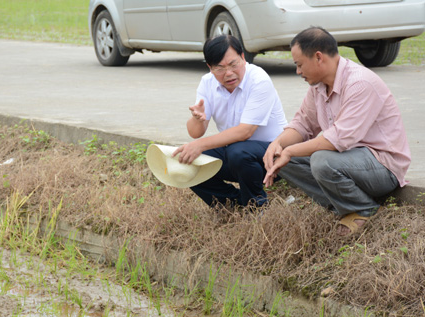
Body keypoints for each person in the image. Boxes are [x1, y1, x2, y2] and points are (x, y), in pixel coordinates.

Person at [263, 26, 411, 235]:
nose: (298, 72)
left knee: (321, 160)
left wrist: (290, 151)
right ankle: (340, 205)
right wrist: (277, 144)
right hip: (348, 160)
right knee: (284, 158)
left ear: (318, 57)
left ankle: (363, 208)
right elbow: (303, 124)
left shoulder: (360, 83)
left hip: (383, 166)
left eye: (299, 64)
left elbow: (337, 140)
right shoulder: (318, 87)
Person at [172, 35, 287, 208]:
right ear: (210, 67)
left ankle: (256, 205)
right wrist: (197, 119)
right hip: (236, 153)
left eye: (234, 64)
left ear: (243, 57)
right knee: (189, 161)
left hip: (274, 155)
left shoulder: (259, 79)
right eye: (220, 68)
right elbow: (196, 133)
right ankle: (234, 204)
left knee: (237, 151)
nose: (229, 73)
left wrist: (200, 144)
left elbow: (245, 132)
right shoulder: (207, 83)